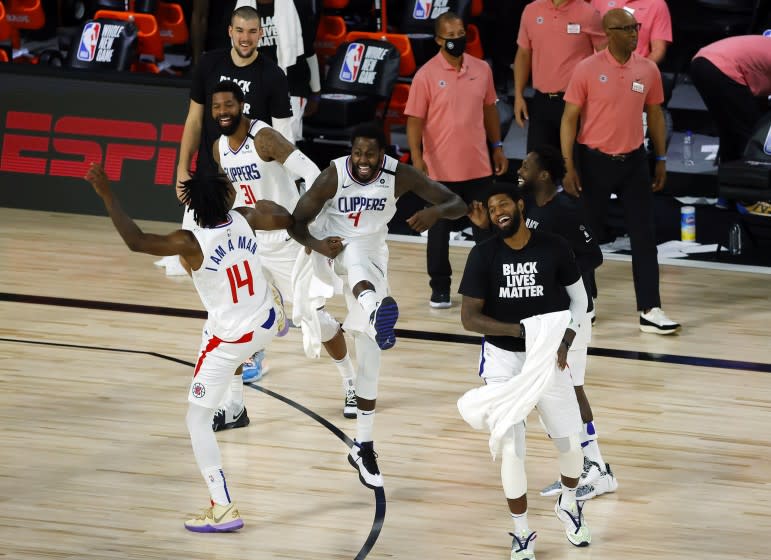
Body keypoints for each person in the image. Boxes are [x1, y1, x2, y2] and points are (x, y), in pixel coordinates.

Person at [84, 163, 293, 532]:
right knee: (237, 314)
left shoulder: (188, 242)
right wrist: (272, 205)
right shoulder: (245, 217)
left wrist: (107, 194)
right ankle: (278, 317)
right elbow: (283, 217)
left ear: (193, 205)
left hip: (230, 339)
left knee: (196, 419)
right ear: (228, 198)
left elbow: (136, 240)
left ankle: (223, 507)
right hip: (263, 318)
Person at [289, 122, 467, 489]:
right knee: (348, 267)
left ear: (383, 154)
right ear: (350, 152)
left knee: (370, 354)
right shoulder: (333, 175)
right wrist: (318, 244)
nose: (363, 160)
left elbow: (457, 203)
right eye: (358, 152)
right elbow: (296, 222)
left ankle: (363, 445)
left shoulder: (398, 174)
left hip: (372, 252)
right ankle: (372, 305)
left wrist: (434, 214)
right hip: (331, 246)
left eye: (370, 153)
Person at [468, 145, 617, 503]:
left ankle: (596, 468)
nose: (521, 169)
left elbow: (593, 254)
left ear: (545, 174)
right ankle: (587, 465)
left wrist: (557, 279)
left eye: (528, 165)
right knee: (557, 396)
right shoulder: (527, 210)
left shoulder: (565, 209)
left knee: (573, 389)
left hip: (570, 317)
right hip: (543, 324)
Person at [209, 80, 357, 426]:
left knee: (314, 319)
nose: (222, 112)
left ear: (242, 105)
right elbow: (230, 195)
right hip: (248, 247)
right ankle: (234, 406)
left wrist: (306, 226)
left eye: (228, 105)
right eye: (216, 107)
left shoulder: (264, 138)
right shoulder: (219, 148)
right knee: (233, 321)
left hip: (287, 243)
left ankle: (352, 384)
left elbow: (314, 175)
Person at [458, 184, 591, 559]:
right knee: (512, 446)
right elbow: (469, 318)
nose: (497, 210)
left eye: (503, 204)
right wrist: (522, 330)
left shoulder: (554, 246)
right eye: (491, 207)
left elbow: (581, 300)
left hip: (548, 356)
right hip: (504, 360)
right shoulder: (484, 254)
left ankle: (568, 502)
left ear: (519, 206)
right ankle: (521, 532)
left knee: (569, 443)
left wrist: (564, 339)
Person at [560, 8, 680, 334]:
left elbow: (654, 114)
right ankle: (584, 304)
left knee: (644, 236)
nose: (634, 33)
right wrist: (569, 165)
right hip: (593, 161)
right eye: (626, 28)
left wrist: (662, 159)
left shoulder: (648, 69)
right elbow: (569, 118)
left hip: (634, 161)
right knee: (586, 237)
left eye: (635, 27)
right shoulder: (586, 69)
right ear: (609, 32)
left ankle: (650, 308)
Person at [156, 3, 294, 277]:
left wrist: (286, 187)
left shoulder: (273, 76)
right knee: (188, 263)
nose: (245, 37)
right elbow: (194, 120)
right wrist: (183, 169)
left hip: (251, 184)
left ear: (261, 34)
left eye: (252, 32)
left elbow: (283, 138)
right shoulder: (209, 64)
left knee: (255, 266)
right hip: (210, 180)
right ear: (230, 31)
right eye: (240, 30)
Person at [404, 11, 508, 310]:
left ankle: (488, 285)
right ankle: (440, 288)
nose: (456, 40)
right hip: (439, 169)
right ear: (438, 39)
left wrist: (498, 146)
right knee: (438, 232)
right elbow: (414, 120)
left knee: (486, 229)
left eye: (460, 34)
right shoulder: (426, 74)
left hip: (477, 166)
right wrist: (418, 160)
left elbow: (490, 110)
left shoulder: (482, 69)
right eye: (450, 36)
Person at [513, 0, 605, 153]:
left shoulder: (588, 13)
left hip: (577, 104)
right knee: (538, 167)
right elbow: (523, 54)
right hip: (542, 102)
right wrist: (518, 95)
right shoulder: (531, 10)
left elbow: (605, 59)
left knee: (574, 169)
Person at [691, 35, 771, 164]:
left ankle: (729, 173)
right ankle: (746, 176)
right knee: (750, 130)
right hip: (720, 66)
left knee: (729, 126)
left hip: (701, 61)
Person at [253, 0, 323, 141]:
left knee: (286, 144)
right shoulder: (239, 6)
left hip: (292, 85)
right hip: (255, 86)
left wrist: (316, 92)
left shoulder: (298, 5)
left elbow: (308, 50)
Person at [591, 0, 672, 65]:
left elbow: (658, 50)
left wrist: (640, 70)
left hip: (633, 71)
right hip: (598, 68)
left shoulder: (657, 4)